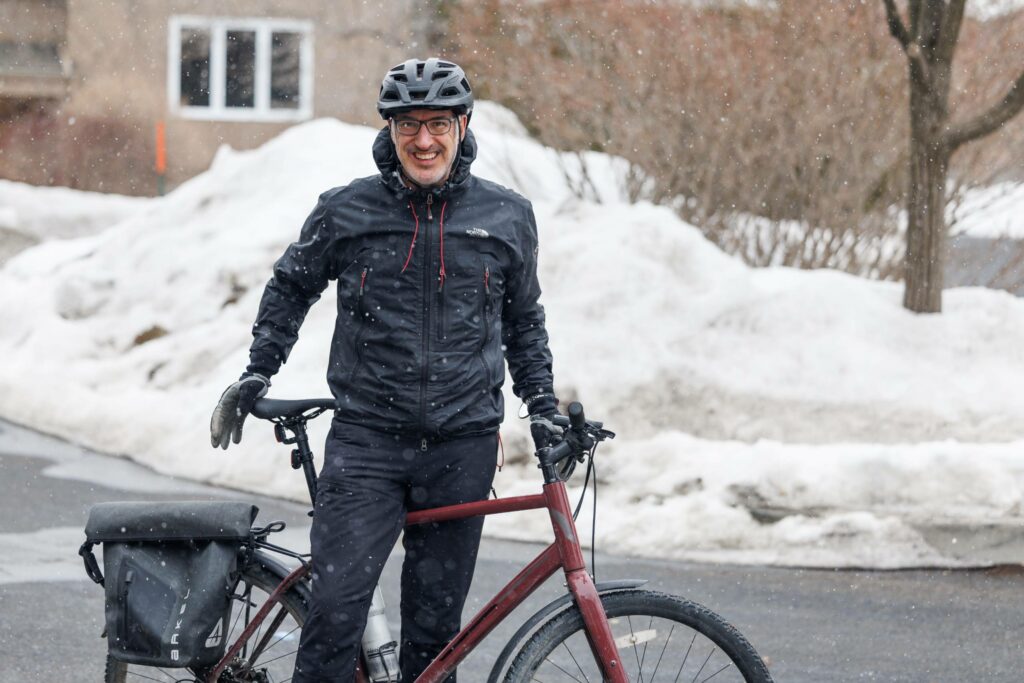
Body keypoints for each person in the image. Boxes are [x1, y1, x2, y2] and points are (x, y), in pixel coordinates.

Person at [209, 57, 559, 682]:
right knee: (334, 619)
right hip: (367, 440)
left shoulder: (506, 217)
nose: (423, 141)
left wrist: (543, 408)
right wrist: (259, 370)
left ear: (463, 124)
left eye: (438, 124)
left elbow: (524, 323)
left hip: (462, 446)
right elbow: (290, 288)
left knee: (435, 636)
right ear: (389, 130)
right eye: (408, 125)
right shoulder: (348, 211)